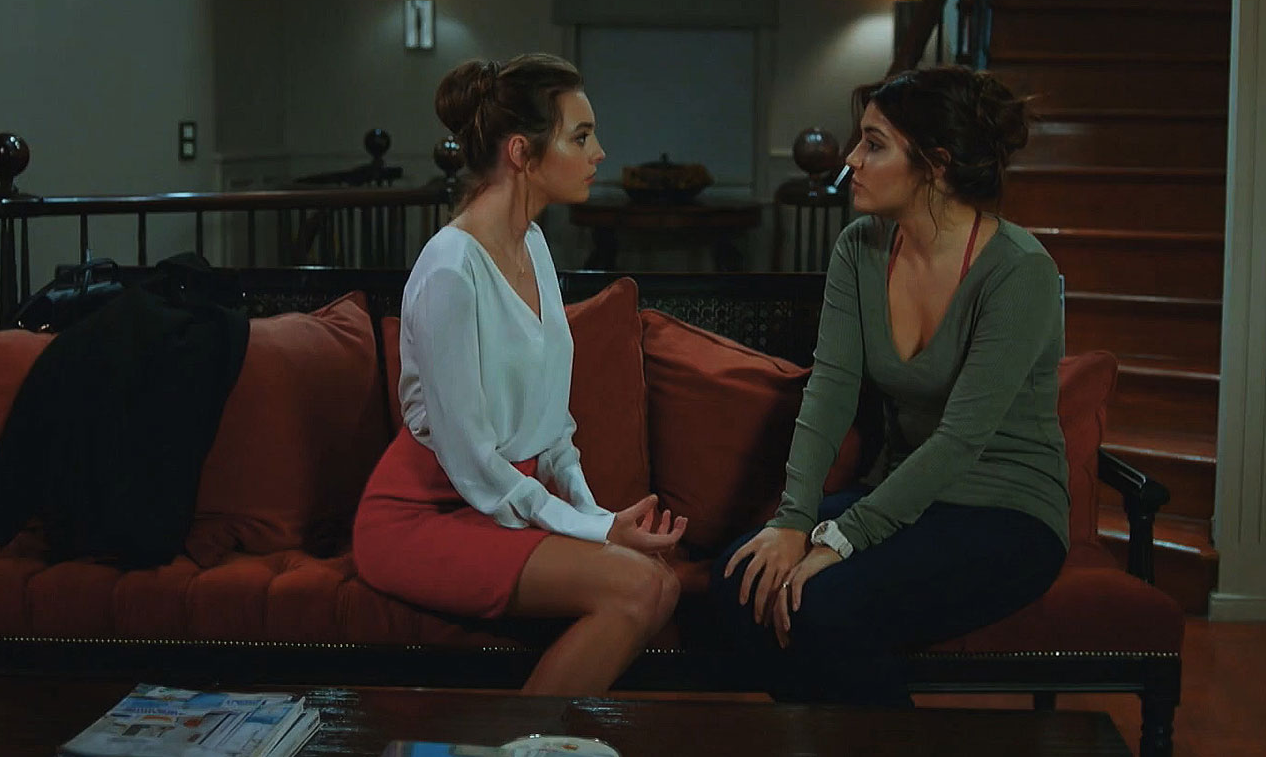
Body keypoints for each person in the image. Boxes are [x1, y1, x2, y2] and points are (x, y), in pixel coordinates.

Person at [711, 65, 1069, 706]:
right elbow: (830, 390)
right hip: (900, 495)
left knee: (821, 603)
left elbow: (960, 440)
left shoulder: (1020, 272)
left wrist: (841, 538)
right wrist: (793, 521)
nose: (851, 159)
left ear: (935, 164)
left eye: (874, 145)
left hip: (1005, 514)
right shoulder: (860, 247)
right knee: (740, 579)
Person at [354, 53, 686, 696]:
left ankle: (525, 739)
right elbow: (473, 461)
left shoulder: (533, 244)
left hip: (499, 501)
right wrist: (597, 532)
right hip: (426, 513)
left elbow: (552, 425)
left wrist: (595, 512)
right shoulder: (451, 271)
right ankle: (513, 745)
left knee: (661, 583)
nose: (599, 153)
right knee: (639, 587)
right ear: (521, 153)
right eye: (580, 137)